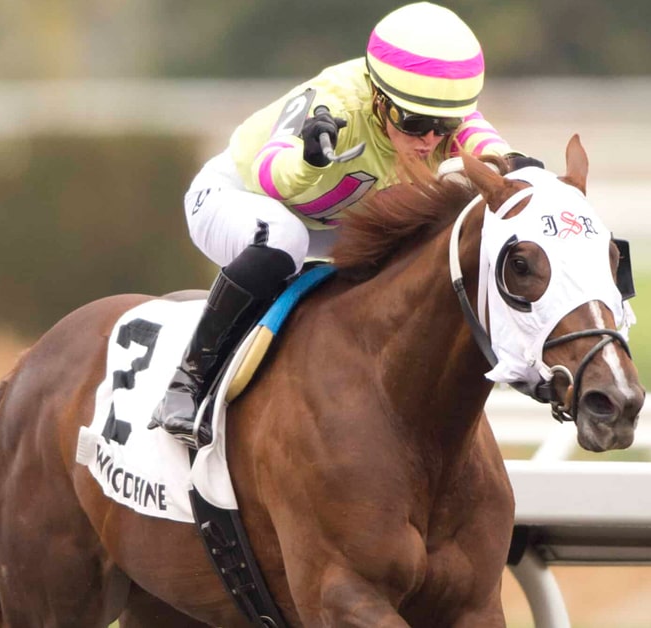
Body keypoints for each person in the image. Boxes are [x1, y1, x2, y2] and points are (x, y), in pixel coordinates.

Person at [150, 2, 542, 447]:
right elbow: (268, 172)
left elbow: (480, 140)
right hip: (236, 198)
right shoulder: (333, 100)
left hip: (329, 221)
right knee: (286, 238)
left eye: (442, 125)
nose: (430, 140)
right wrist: (309, 159)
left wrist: (511, 165)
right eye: (413, 123)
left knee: (417, 243)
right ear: (378, 97)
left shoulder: (436, 111)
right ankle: (186, 383)